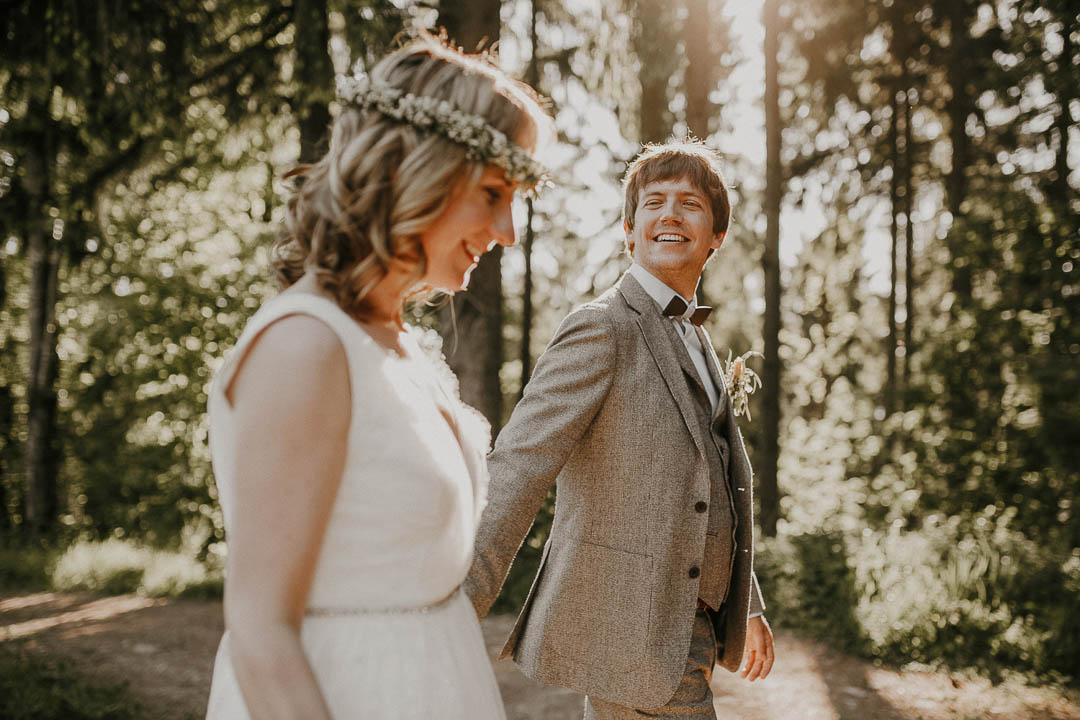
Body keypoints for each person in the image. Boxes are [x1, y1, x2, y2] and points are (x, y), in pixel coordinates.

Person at [203, 35, 550, 720]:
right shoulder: (305, 346)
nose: (508, 230)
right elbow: (260, 631)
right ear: (414, 171)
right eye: (490, 193)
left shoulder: (396, 345)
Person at [465, 139, 776, 719]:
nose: (670, 214)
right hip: (629, 627)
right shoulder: (601, 328)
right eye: (654, 203)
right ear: (629, 232)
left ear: (717, 236)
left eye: (690, 204)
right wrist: (458, 608)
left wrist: (745, 604)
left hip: (693, 626)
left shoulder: (699, 340)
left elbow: (711, 489)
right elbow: (518, 466)